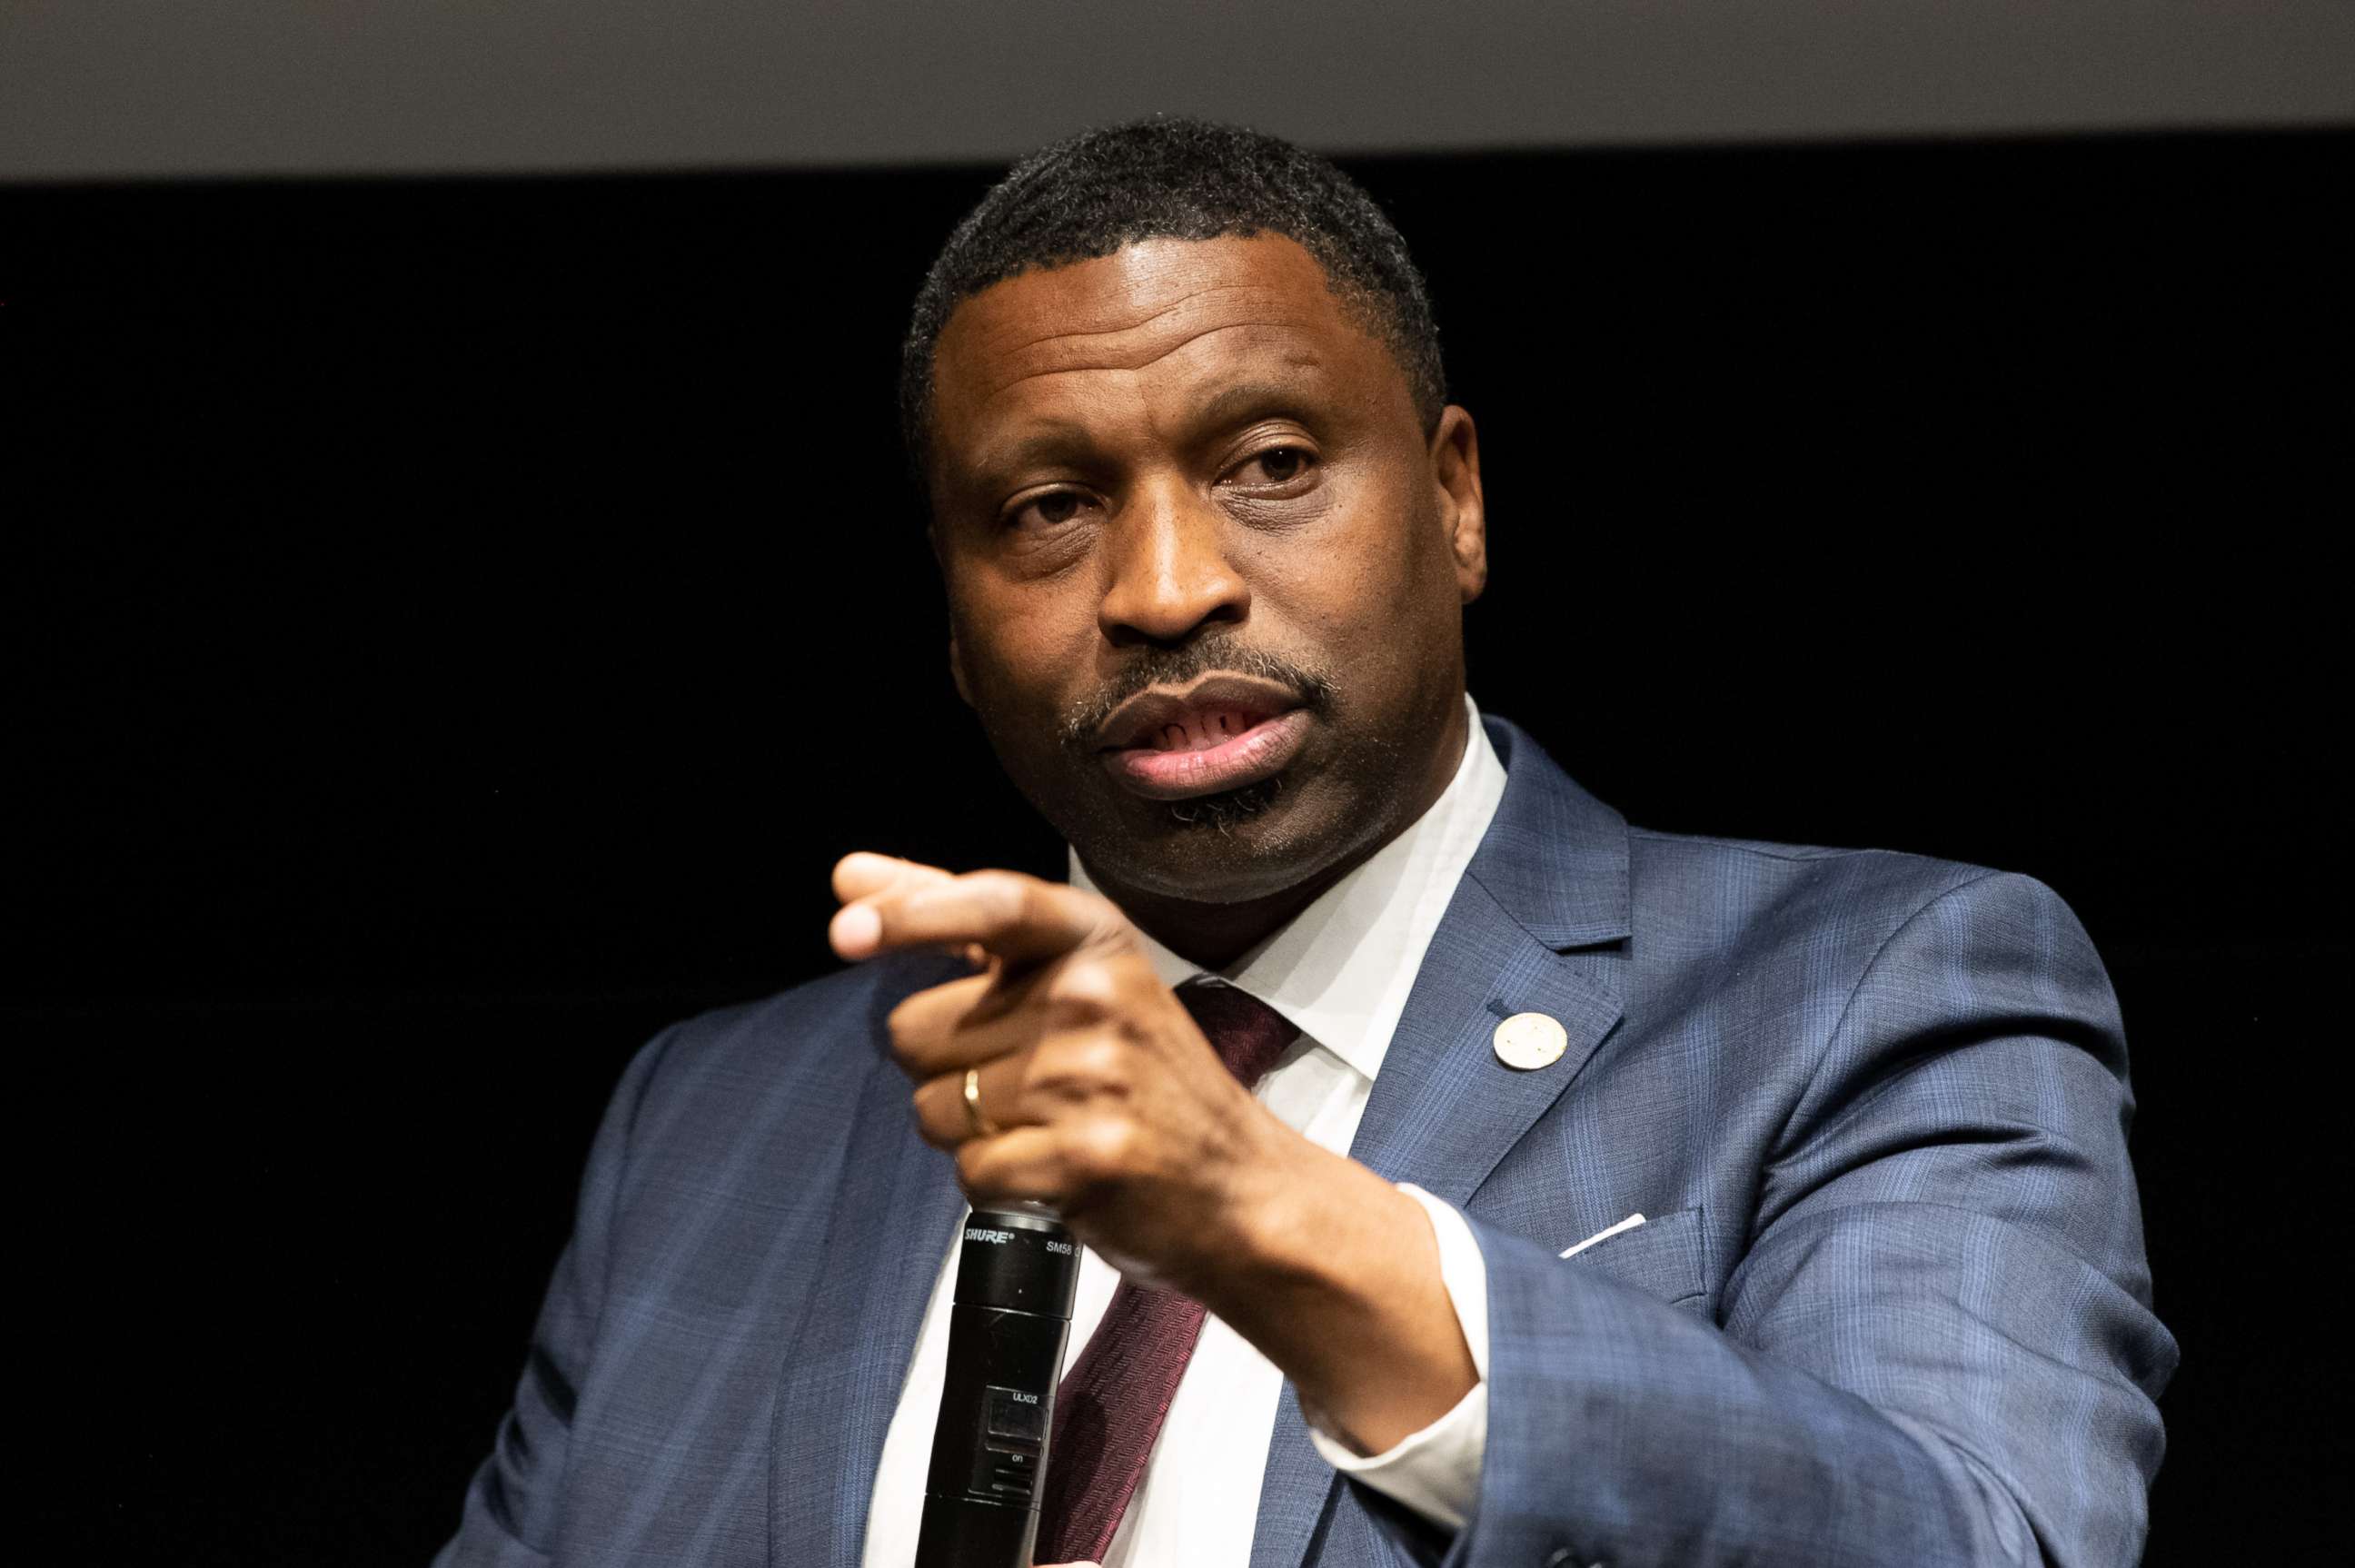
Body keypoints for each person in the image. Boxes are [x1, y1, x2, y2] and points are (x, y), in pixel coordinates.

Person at [435, 118, 2175, 1568]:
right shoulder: (715, 1124)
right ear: (954, 627)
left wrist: (1256, 1204)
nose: (1166, 587)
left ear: (1456, 496)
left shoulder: (1867, 996)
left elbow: (1986, 1536)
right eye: (1048, 509)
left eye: (1268, 461)